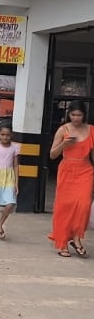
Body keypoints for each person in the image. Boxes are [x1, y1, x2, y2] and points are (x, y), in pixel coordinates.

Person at [48, 100, 94, 258]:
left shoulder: (91, 130)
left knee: (83, 204)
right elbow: (52, 154)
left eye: (79, 115)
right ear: (68, 114)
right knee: (65, 207)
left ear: (84, 115)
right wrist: (64, 145)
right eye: (73, 115)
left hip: (85, 169)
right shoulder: (63, 130)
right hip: (67, 169)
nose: (76, 118)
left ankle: (76, 237)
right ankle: (62, 243)